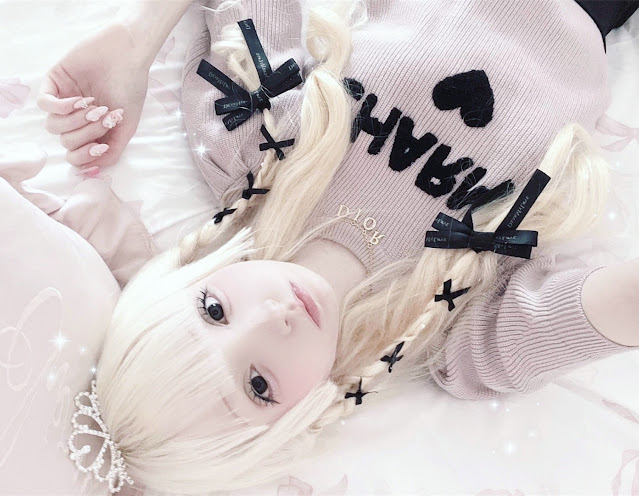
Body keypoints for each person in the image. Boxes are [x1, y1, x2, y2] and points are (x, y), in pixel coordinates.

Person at [35, 0, 639, 493]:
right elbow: (610, 306)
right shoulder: (450, 334)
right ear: (295, 426)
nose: (273, 318)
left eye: (213, 311)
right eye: (258, 385)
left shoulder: (250, 146)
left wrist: (133, 39)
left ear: (182, 280)